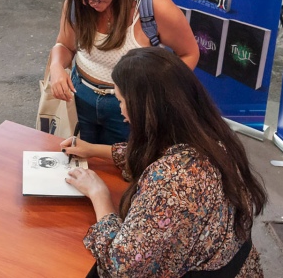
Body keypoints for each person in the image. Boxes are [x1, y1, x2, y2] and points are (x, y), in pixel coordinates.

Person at [61, 47, 267, 277]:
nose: (121, 111)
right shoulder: (208, 135)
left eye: (121, 101)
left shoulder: (172, 180)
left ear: (146, 109)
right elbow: (146, 154)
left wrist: (99, 194)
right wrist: (92, 150)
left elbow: (123, 266)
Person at [49, 0, 199, 145]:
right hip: (79, 98)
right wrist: (57, 67)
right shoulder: (76, 2)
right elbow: (64, 45)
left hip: (130, 111)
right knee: (76, 162)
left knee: (123, 169)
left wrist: (156, 94)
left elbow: (189, 53)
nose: (86, 2)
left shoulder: (155, 7)